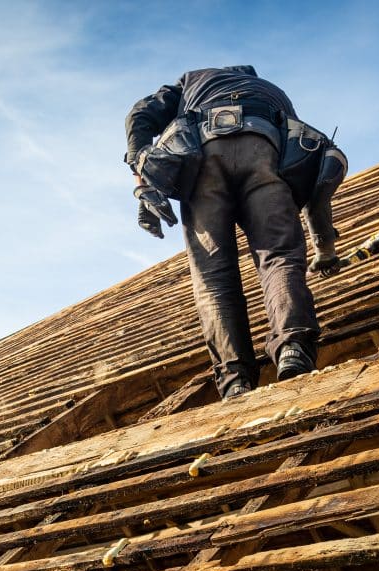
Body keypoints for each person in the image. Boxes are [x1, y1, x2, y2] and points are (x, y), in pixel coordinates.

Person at [125, 65, 342, 400]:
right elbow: (319, 186)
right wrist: (324, 247)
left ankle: (235, 379)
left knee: (213, 278)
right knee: (279, 255)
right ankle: (293, 348)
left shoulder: (190, 81)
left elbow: (140, 115)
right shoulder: (272, 92)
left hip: (202, 161)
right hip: (264, 151)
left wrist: (141, 172)